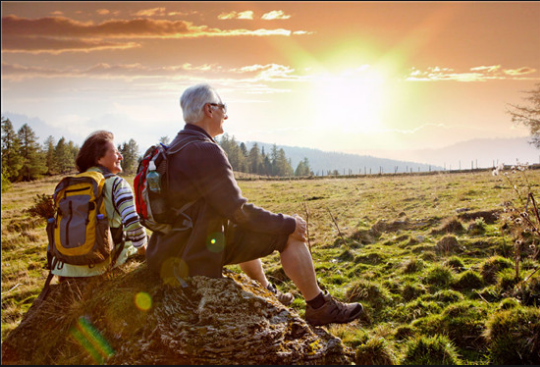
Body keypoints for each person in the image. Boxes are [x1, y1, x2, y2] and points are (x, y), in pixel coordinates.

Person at [146, 84, 363, 326]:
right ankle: (319, 307)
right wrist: (289, 223)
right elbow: (238, 211)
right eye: (222, 108)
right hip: (193, 255)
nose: (225, 115)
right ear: (209, 110)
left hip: (167, 250)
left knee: (245, 229)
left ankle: (267, 290)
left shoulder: (173, 147)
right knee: (289, 236)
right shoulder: (206, 150)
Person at [51, 130, 147, 279]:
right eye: (115, 152)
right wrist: (144, 253)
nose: (121, 156)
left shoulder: (70, 185)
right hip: (104, 264)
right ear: (99, 159)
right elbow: (132, 223)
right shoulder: (117, 183)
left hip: (68, 268)